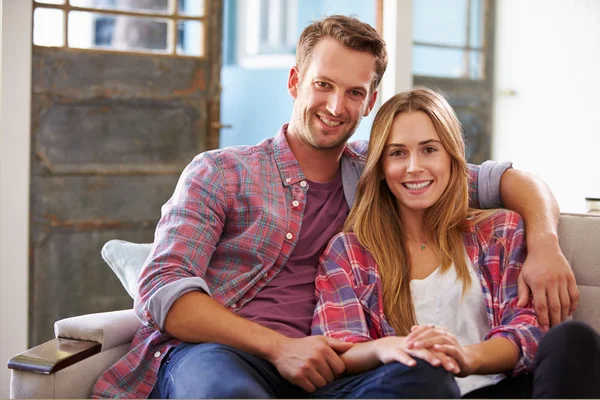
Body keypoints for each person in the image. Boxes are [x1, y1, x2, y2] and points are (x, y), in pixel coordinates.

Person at [92, 15, 579, 399]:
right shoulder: (220, 172)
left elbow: (510, 180)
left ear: (369, 103)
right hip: (221, 355)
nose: (335, 105)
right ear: (294, 81)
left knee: (425, 382)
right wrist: (279, 347)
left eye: (354, 92)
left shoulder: (383, 169)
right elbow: (162, 288)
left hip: (334, 370)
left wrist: (545, 243)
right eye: (323, 84)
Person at [312, 87, 600, 398]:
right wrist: (394, 348)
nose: (413, 167)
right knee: (424, 373)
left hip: (500, 388)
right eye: (397, 153)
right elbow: (339, 348)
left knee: (573, 338)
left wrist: (467, 358)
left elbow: (528, 331)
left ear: (451, 156)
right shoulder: (350, 252)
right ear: (381, 168)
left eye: (429, 149)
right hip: (416, 389)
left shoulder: (500, 232)